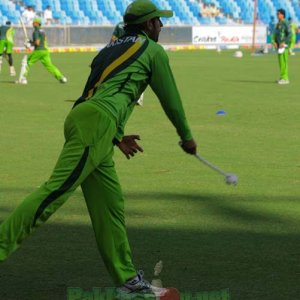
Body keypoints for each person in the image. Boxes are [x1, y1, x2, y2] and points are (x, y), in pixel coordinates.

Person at [0, 0, 196, 296]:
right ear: (147, 25)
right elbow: (171, 99)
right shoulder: (153, 51)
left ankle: (128, 281)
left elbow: (96, 93)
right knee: (54, 191)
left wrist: (116, 136)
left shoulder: (109, 49)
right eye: (158, 21)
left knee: (110, 205)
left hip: (91, 123)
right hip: (96, 125)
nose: (162, 26)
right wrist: (186, 136)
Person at [17, 18, 67, 84]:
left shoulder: (36, 32)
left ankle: (23, 78)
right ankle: (61, 77)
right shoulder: (42, 31)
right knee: (50, 66)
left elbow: (37, 43)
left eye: (34, 22)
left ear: (37, 23)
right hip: (45, 51)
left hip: (39, 50)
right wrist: (30, 42)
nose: (32, 24)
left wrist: (29, 44)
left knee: (27, 63)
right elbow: (41, 41)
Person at [272, 9, 292, 85]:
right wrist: (274, 42)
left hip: (284, 45)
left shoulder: (286, 23)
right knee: (281, 62)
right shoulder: (278, 23)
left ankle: (285, 79)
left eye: (278, 14)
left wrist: (284, 42)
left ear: (282, 15)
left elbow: (290, 34)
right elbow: (275, 33)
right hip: (279, 46)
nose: (277, 15)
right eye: (277, 14)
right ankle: (282, 77)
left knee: (284, 62)